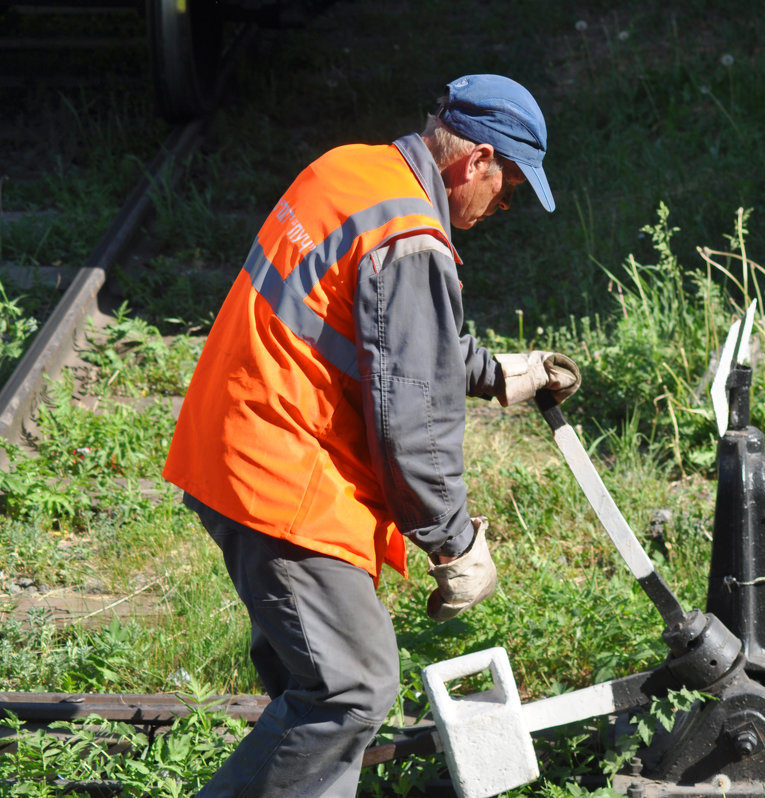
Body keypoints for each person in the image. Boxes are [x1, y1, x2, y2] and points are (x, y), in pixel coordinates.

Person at [163, 74, 579, 797]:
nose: (501, 206)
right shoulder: (415, 239)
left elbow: (378, 338)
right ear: (475, 160)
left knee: (314, 687)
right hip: (281, 479)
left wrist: (495, 373)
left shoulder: (350, 169)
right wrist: (453, 543)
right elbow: (413, 426)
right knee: (351, 688)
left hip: (227, 444)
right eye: (507, 187)